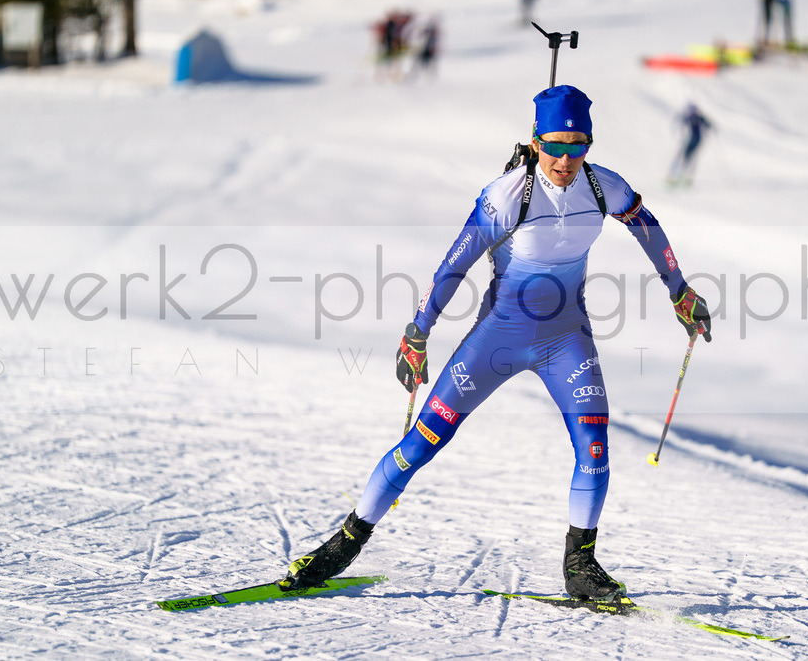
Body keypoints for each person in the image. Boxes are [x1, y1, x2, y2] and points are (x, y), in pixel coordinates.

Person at [280, 85, 712, 602]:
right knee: (421, 445)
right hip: (496, 339)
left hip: (566, 339)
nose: (566, 160)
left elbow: (646, 224)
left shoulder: (603, 188)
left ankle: (581, 565)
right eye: (555, 147)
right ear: (535, 142)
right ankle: (342, 545)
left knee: (595, 448)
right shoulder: (508, 195)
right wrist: (417, 333)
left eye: (578, 148)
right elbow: (454, 265)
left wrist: (678, 288)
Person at [667, 102, 713, 187]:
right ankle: (683, 178)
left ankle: (680, 178)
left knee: (685, 158)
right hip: (695, 140)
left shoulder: (693, 117)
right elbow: (708, 125)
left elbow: (682, 122)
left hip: (692, 140)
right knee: (688, 159)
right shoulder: (698, 117)